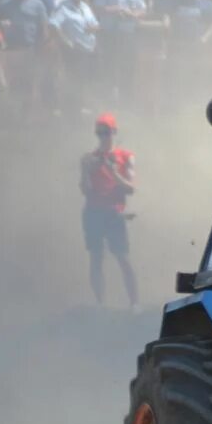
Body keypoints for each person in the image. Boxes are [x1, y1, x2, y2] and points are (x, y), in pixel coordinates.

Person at [80, 113, 137, 307]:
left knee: (122, 257)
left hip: (114, 212)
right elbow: (85, 190)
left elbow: (130, 188)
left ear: (114, 132)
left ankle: (134, 303)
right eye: (100, 133)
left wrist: (113, 172)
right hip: (94, 212)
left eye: (107, 132)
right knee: (96, 258)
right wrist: (87, 172)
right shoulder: (88, 159)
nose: (103, 137)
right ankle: (100, 304)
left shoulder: (126, 157)